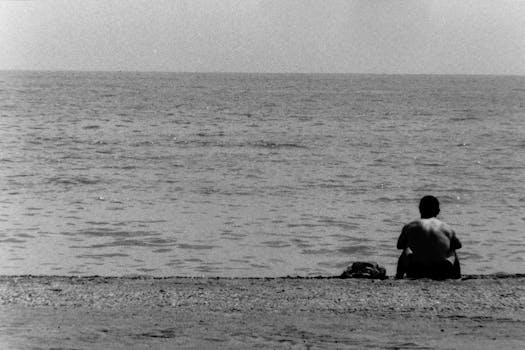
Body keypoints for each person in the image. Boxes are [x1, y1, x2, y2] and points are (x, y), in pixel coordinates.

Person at [396, 195, 462, 279]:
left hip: (416, 269)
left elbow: (399, 245)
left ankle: (399, 277)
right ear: (438, 211)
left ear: (420, 209)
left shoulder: (410, 226)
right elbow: (458, 245)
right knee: (452, 250)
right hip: (441, 270)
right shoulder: (446, 227)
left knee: (406, 248)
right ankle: (457, 277)